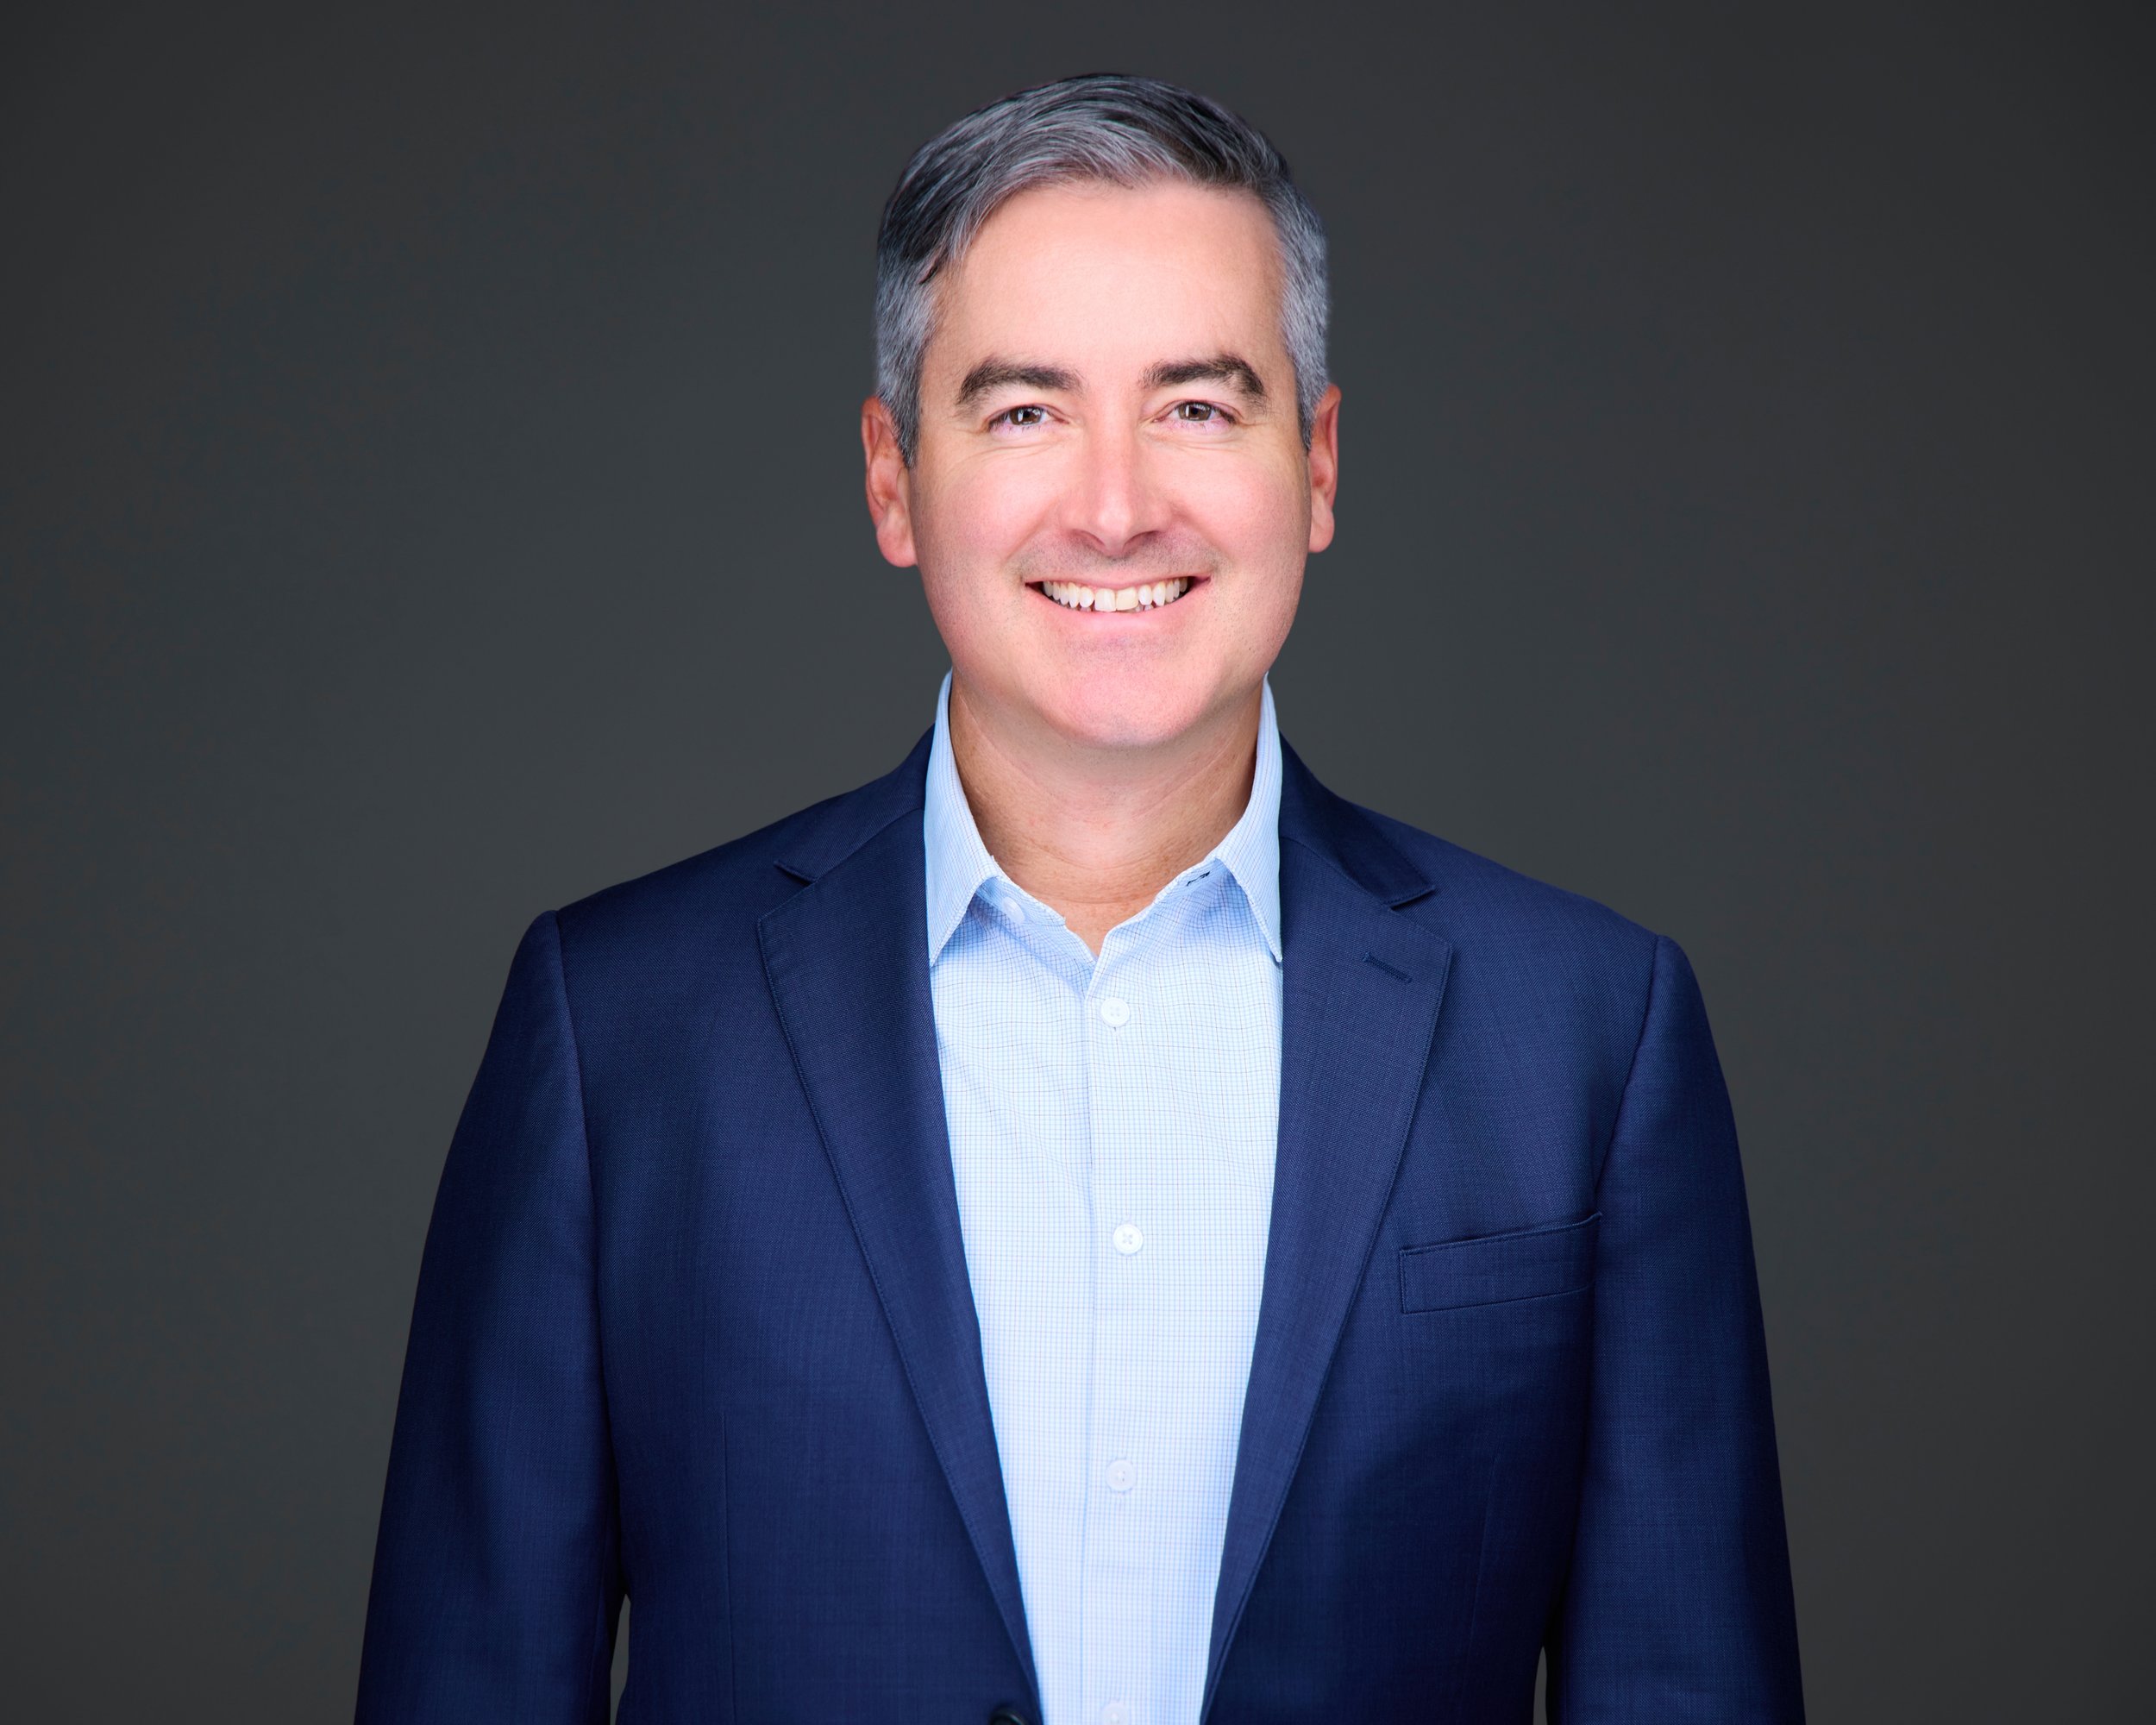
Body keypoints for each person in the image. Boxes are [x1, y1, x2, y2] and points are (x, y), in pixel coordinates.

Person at [355, 74, 1803, 1724]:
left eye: (1198, 405)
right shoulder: (618, 1037)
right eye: (1026, 410)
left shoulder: (1588, 1041)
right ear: (895, 480)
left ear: (1317, 467)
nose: (1116, 505)